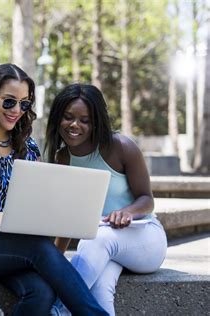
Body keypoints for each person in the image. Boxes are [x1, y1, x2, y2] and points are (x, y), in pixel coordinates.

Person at [0, 64, 108, 316]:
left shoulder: (27, 145)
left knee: (41, 291)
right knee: (36, 248)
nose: (17, 110)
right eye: (9, 102)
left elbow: (35, 203)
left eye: (24, 104)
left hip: (12, 243)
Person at [44, 83, 167, 315]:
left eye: (85, 120)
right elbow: (70, 217)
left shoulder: (121, 147)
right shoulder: (62, 157)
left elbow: (146, 199)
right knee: (100, 290)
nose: (74, 125)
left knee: (95, 238)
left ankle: (58, 311)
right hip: (105, 247)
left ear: (96, 121)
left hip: (145, 238)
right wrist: (53, 259)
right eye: (68, 117)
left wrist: (127, 212)